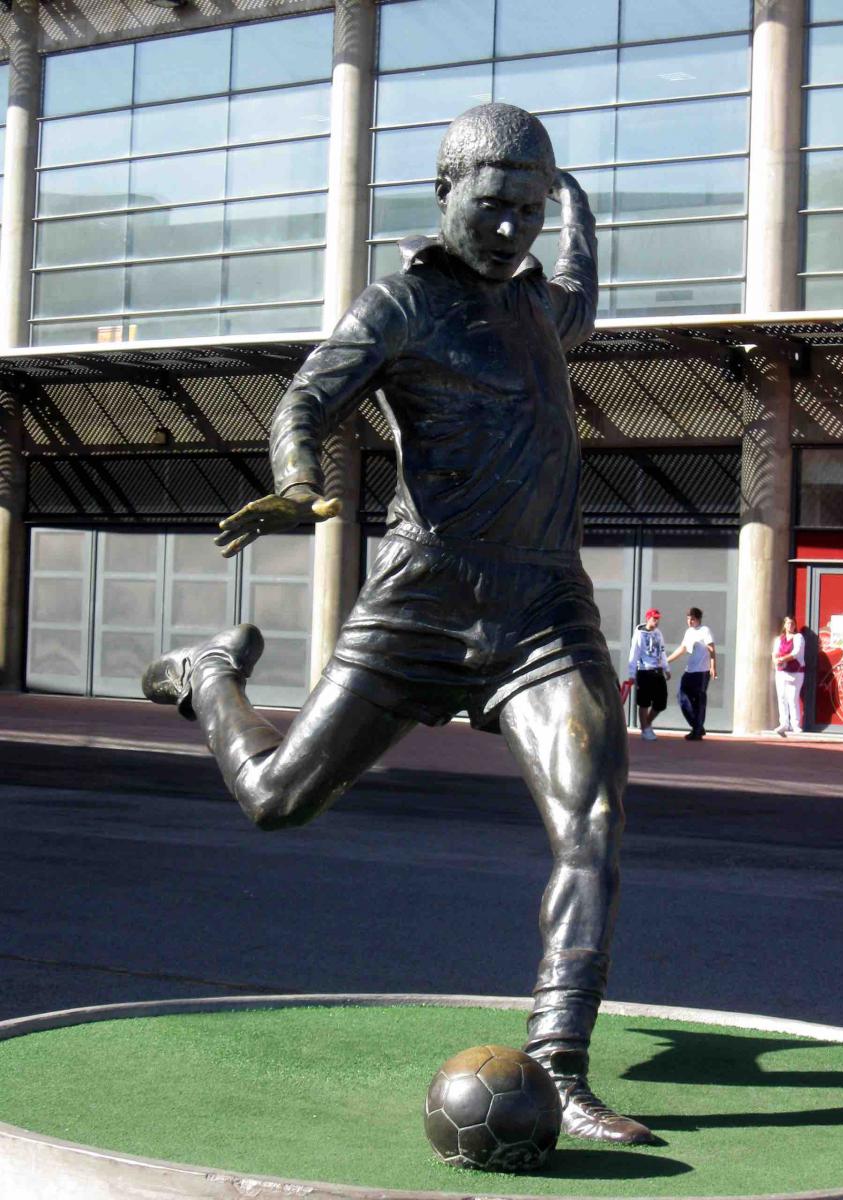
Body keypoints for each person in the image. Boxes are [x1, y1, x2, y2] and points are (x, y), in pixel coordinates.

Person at [141, 104, 651, 1145]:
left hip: (542, 612)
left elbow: (582, 301)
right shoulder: (403, 304)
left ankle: (556, 1066)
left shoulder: (538, 310)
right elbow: (305, 402)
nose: (512, 229)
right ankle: (207, 676)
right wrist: (293, 477)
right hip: (421, 603)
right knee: (278, 801)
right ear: (444, 194)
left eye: (530, 209)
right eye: (494, 205)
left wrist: (584, 222)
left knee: (591, 824)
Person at [667, 607, 717, 741]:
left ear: (698, 619)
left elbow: (712, 649)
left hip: (701, 672)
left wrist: (713, 667)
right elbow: (683, 649)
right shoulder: (689, 632)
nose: (690, 621)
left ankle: (697, 729)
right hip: (690, 670)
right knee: (681, 697)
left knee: (699, 701)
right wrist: (667, 661)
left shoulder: (705, 631)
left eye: (692, 619)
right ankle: (697, 726)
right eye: (688, 619)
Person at [627, 608, 669, 742]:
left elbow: (662, 650)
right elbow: (634, 654)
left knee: (661, 702)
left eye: (658, 619)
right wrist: (632, 674)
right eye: (654, 619)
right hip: (644, 670)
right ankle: (645, 729)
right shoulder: (639, 634)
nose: (656, 622)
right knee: (644, 702)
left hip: (657, 670)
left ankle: (646, 724)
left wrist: (666, 667)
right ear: (648, 618)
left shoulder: (658, 633)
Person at [772, 615, 805, 737]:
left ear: (795, 625)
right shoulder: (779, 639)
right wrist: (775, 660)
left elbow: (795, 653)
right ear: (784, 625)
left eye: (792, 623)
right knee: (781, 697)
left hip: (796, 672)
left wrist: (782, 658)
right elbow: (774, 653)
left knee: (792, 698)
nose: (790, 626)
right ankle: (784, 723)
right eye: (788, 623)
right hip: (781, 671)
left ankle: (795, 725)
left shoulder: (798, 637)